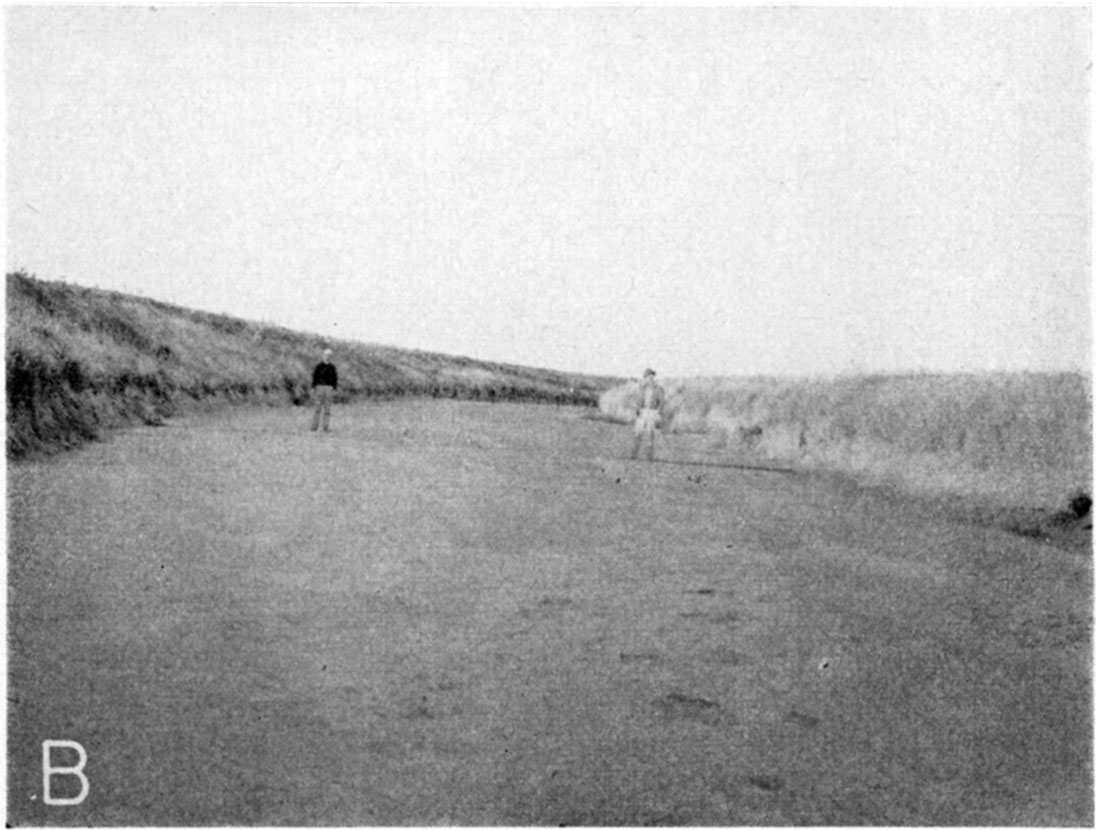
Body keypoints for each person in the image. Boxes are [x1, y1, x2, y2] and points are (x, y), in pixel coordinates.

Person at [631, 368, 665, 461]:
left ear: (653, 377)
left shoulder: (659, 389)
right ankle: (634, 455)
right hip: (643, 411)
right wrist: (637, 410)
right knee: (638, 433)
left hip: (652, 412)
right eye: (646, 377)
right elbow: (639, 400)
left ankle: (649, 456)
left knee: (650, 434)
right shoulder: (642, 388)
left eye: (650, 376)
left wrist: (658, 413)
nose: (649, 378)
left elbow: (661, 402)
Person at [310, 348, 338, 432]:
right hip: (320, 387)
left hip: (329, 388)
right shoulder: (319, 366)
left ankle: (325, 427)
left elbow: (335, 378)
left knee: (327, 409)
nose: (327, 357)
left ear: (331, 357)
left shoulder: (332, 367)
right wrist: (313, 387)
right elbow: (314, 377)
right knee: (317, 408)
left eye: (329, 355)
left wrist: (334, 388)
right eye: (326, 355)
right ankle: (314, 427)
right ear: (323, 355)